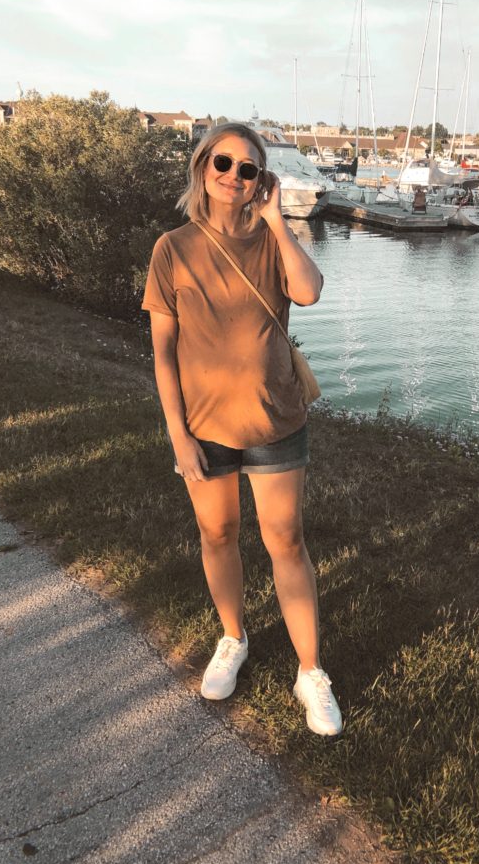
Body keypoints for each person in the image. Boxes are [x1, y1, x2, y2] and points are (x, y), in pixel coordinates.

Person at [141, 122, 342, 737]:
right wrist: (178, 435)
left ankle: (310, 672)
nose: (233, 176)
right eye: (223, 163)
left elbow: (308, 292)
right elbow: (163, 352)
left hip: (275, 419)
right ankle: (234, 637)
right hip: (203, 427)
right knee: (218, 531)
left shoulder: (270, 239)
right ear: (203, 168)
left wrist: (279, 222)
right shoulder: (172, 248)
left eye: (248, 168)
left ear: (262, 180)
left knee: (286, 539)